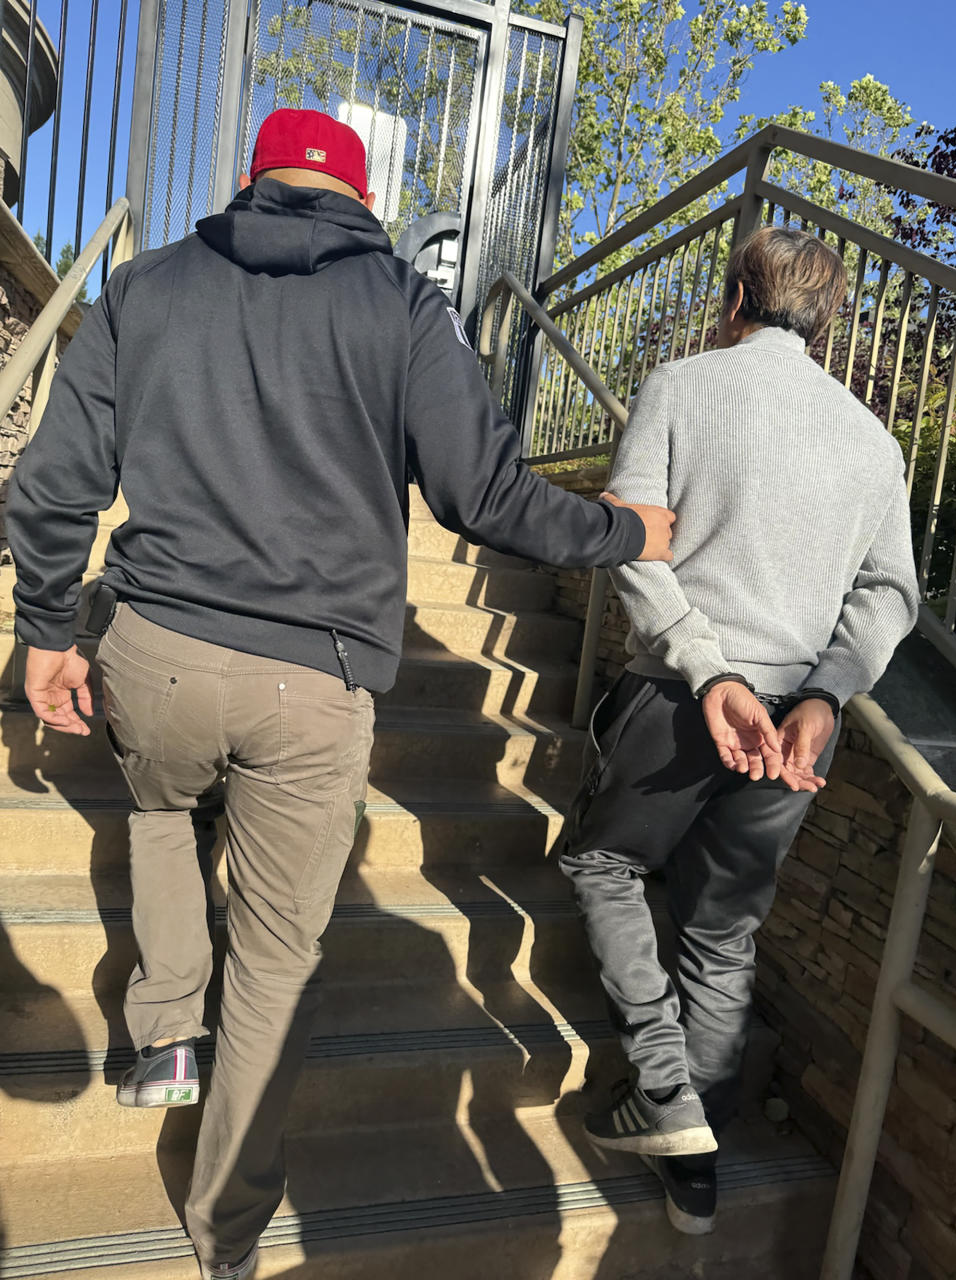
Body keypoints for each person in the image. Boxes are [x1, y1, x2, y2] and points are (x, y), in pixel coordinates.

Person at [5, 108, 676, 1279]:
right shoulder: (410, 308)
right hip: (314, 682)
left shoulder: (147, 284)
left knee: (161, 811)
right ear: (363, 198)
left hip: (154, 646)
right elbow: (488, 496)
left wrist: (44, 631)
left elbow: (55, 482)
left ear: (253, 177)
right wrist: (624, 529)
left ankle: (164, 1031)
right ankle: (224, 1231)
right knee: (274, 960)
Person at [558, 226, 919, 1237]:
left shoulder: (681, 387)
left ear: (733, 299)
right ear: (830, 321)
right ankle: (697, 1168)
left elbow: (631, 538)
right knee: (723, 928)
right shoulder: (873, 443)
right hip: (797, 729)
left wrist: (703, 659)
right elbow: (891, 590)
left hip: (685, 700)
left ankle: (665, 1089)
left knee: (603, 864)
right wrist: (827, 693)